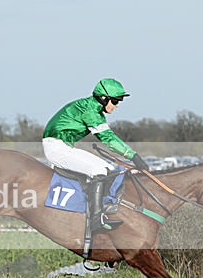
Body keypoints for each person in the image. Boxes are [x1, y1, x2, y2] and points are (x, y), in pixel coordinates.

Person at [42, 78, 149, 230]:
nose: (117, 105)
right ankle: (95, 220)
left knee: (109, 169)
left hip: (63, 146)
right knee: (99, 171)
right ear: (103, 98)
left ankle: (104, 209)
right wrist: (133, 156)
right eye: (115, 101)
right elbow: (108, 139)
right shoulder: (91, 111)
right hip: (56, 148)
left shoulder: (93, 109)